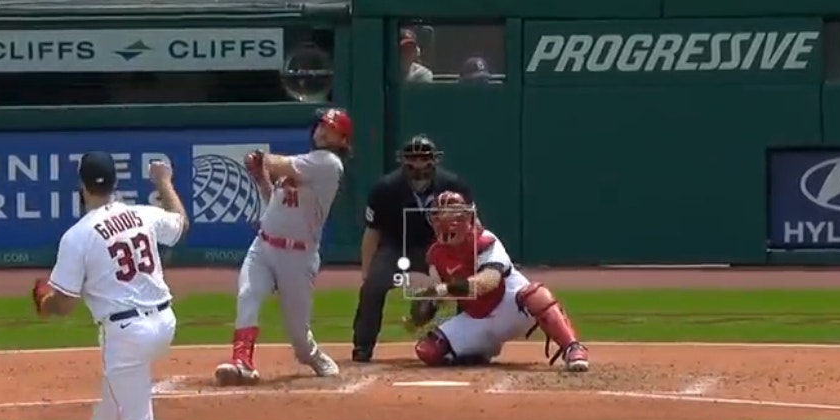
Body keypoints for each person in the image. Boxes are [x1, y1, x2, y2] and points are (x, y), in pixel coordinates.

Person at [33, 152, 188, 420]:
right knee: (119, 379)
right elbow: (181, 224)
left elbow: (64, 305)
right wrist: (164, 183)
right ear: (114, 183)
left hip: (128, 333)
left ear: (82, 186)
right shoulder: (142, 214)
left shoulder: (78, 235)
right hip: (165, 323)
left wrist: (42, 303)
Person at [213, 108, 353, 385]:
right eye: (323, 125)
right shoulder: (306, 163)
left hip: (298, 256)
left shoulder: (328, 164)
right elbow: (275, 199)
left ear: (343, 141)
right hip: (264, 246)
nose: (324, 131)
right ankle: (242, 361)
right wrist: (261, 178)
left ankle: (312, 355)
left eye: (333, 129)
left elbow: (277, 163)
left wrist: (262, 160)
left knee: (297, 334)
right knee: (248, 294)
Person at [404, 191, 590, 371]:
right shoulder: (435, 255)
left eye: (453, 215)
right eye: (440, 216)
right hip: (477, 318)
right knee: (428, 351)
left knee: (535, 294)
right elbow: (436, 296)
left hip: (513, 309)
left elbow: (487, 282)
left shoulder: (485, 241)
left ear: (467, 217)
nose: (446, 222)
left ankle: (572, 347)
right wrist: (422, 310)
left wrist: (442, 290)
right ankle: (480, 351)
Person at [351, 135, 473, 363]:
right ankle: (362, 346)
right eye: (413, 159)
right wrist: (366, 272)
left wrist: (465, 263)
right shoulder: (385, 188)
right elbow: (372, 232)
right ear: (403, 161)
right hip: (396, 248)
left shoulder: (453, 186)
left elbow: (471, 226)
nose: (419, 165)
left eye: (424, 159)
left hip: (437, 249)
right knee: (372, 288)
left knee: (463, 288)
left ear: (434, 161)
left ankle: (464, 344)